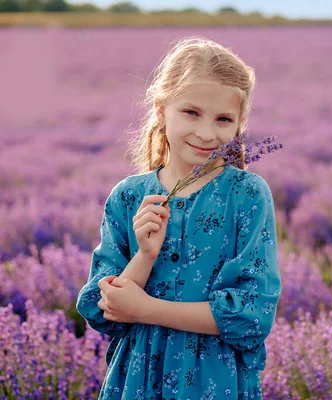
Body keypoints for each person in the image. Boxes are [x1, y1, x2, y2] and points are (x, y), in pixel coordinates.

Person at [76, 37, 281, 399]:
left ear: (240, 124)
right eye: (191, 112)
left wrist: (147, 309)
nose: (206, 133)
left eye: (223, 119)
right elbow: (99, 307)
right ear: (160, 109)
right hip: (137, 382)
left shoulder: (247, 195)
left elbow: (252, 314)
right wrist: (144, 256)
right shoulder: (129, 196)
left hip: (214, 382)